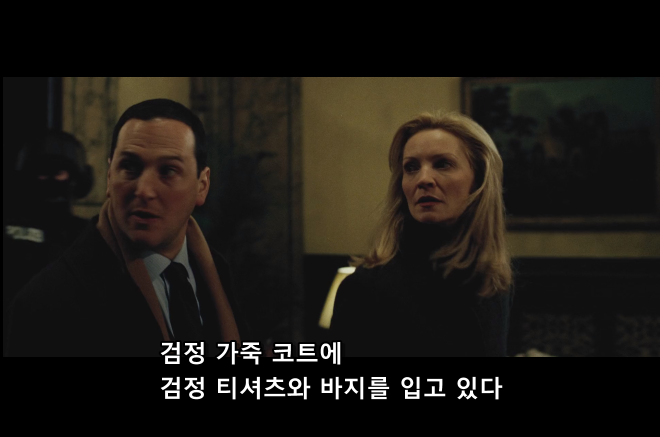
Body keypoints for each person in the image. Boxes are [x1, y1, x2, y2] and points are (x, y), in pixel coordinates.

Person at [6, 98, 244, 357]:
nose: (144, 190)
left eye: (168, 171)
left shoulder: (216, 272)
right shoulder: (47, 302)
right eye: (129, 167)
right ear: (110, 177)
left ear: (202, 185)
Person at [330, 111, 513, 357]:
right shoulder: (366, 288)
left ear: (479, 180)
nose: (423, 179)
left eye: (442, 164)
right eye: (411, 167)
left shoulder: (493, 280)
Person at [3, 130, 93, 352]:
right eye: (42, 173)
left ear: (76, 178)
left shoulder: (88, 234)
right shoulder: (9, 231)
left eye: (59, 173)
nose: (51, 181)